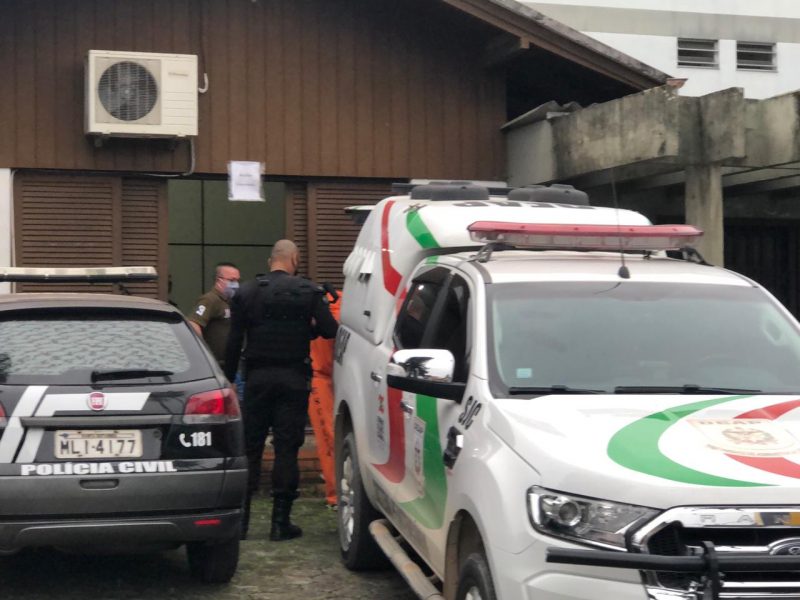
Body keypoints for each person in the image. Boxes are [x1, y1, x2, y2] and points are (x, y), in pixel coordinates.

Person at [224, 240, 338, 542]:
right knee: (287, 448)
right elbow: (330, 330)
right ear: (295, 259)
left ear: (269, 260)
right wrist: (307, 328)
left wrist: (228, 381)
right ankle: (280, 523)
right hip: (293, 379)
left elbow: (234, 342)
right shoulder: (309, 292)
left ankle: (243, 522)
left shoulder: (246, 292)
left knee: (250, 448)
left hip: (257, 378)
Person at [308, 288, 341, 508]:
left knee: (331, 435)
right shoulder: (335, 303)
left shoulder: (339, 303)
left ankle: (337, 491)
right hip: (321, 375)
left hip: (333, 375)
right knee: (329, 434)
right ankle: (334, 494)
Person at [188, 262, 241, 373]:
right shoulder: (210, 300)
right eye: (232, 280)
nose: (236, 284)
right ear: (219, 280)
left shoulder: (230, 302)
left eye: (237, 281)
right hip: (214, 367)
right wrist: (205, 354)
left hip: (228, 365)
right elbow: (194, 323)